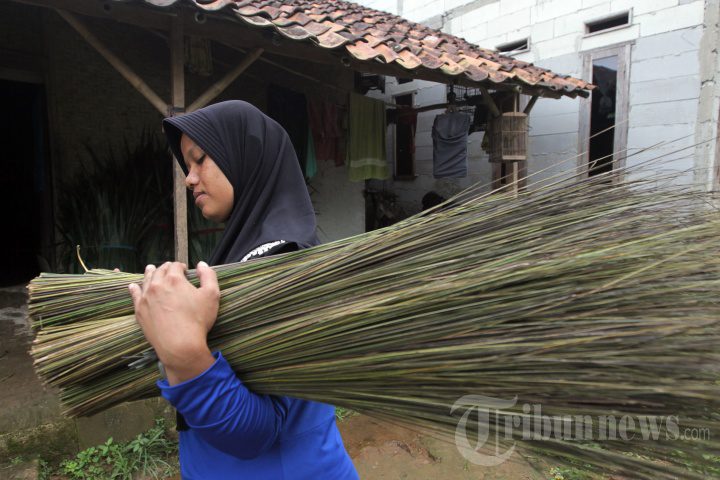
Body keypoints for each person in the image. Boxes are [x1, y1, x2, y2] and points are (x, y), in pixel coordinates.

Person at [128, 100, 359, 479]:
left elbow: (256, 432)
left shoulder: (281, 266)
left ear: (246, 157)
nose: (189, 178)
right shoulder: (248, 256)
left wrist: (185, 355)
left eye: (199, 159)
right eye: (187, 166)